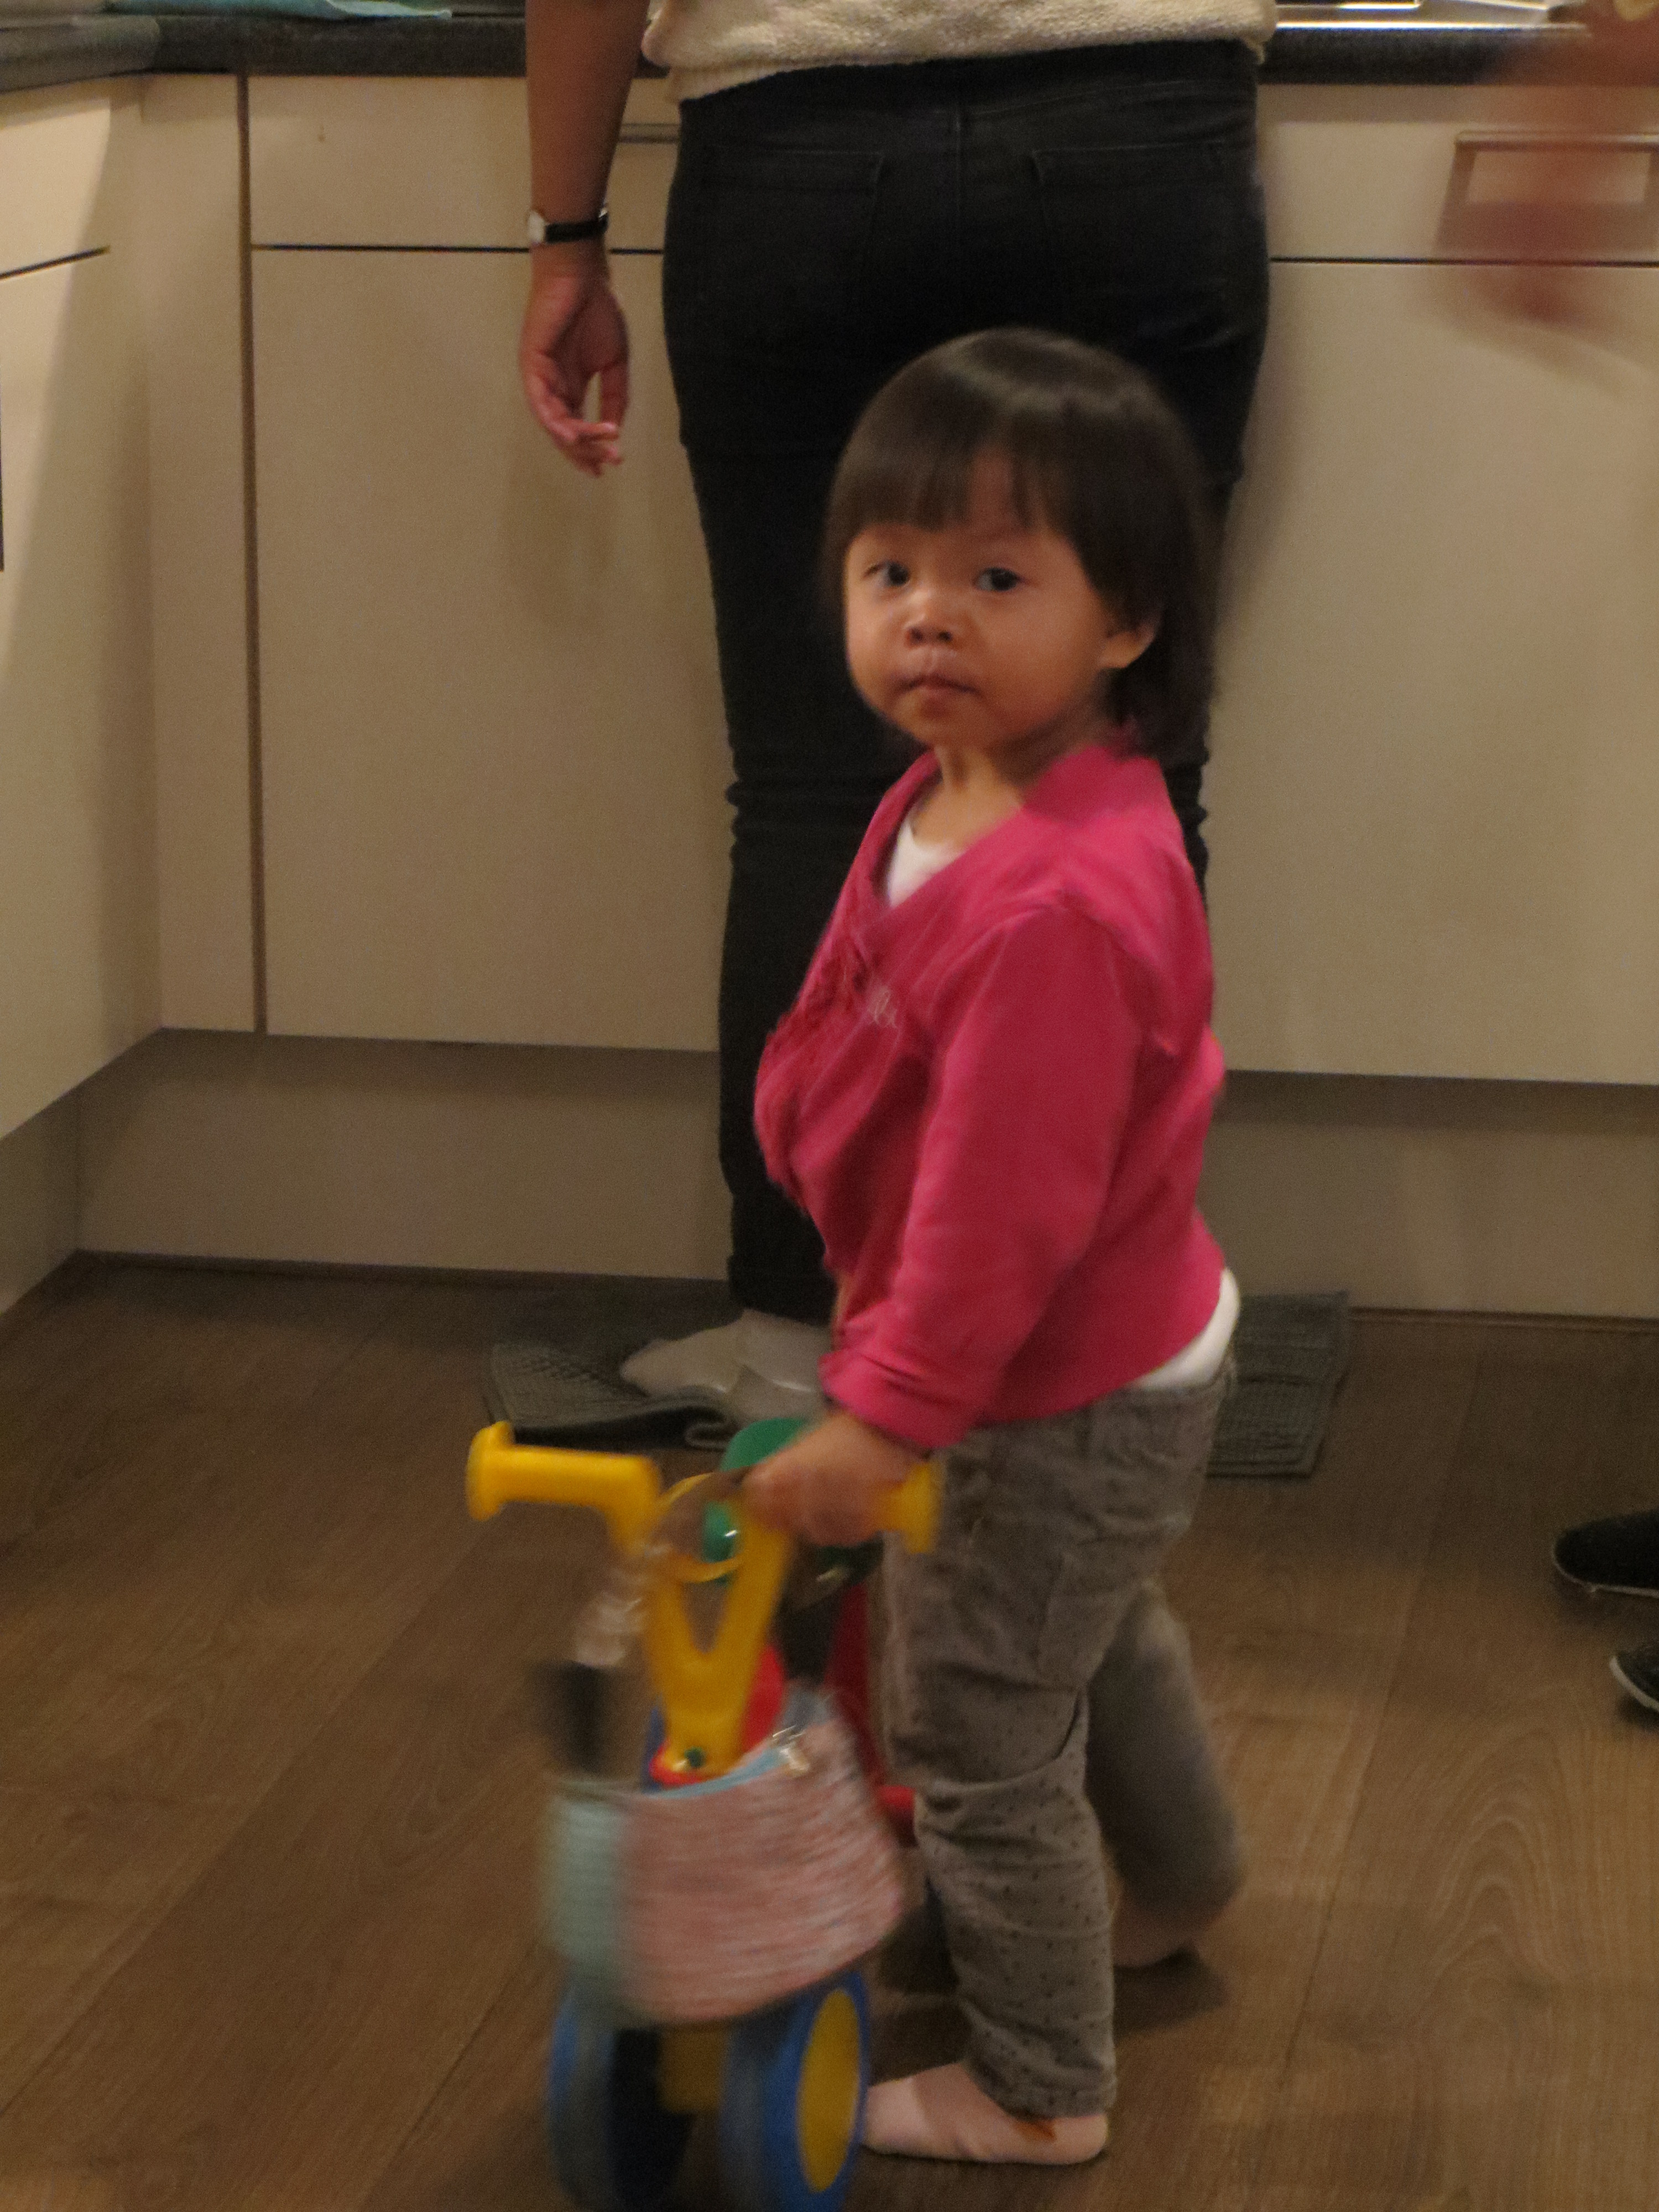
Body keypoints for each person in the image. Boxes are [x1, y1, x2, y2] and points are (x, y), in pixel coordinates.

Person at [519, 0, 1273, 1423]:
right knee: (1126, 759)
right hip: (1132, 124)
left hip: (801, 138)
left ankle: (796, 1349)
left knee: (811, 791)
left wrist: (568, 231)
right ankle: (1091, 1359)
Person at [743, 328, 1244, 2165]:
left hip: (1045, 1384)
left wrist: (886, 1411)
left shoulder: (1055, 905)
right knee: (1078, 1634)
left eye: (998, 578)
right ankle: (1181, 1879)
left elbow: (995, 1221)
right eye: (892, 571)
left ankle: (1040, 2083)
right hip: (1108, 1351)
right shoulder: (960, 786)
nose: (929, 617)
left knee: (975, 1722)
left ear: (1129, 621)